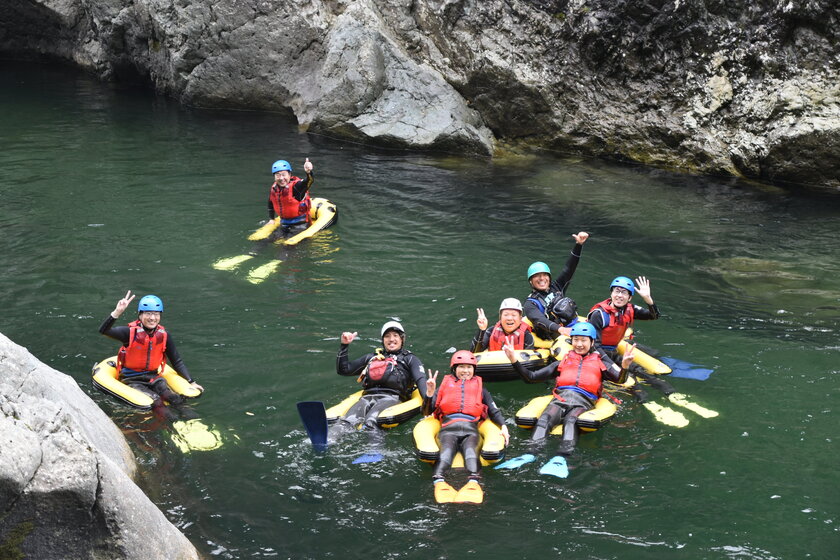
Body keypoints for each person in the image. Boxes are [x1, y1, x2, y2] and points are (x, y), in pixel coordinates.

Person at [503, 322, 632, 456]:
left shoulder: (601, 364)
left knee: (571, 421)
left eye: (583, 340)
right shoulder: (561, 363)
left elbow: (620, 380)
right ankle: (529, 454)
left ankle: (561, 457)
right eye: (576, 340)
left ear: (592, 342)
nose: (579, 344)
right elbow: (531, 377)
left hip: (583, 402)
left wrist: (625, 366)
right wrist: (513, 360)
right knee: (544, 419)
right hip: (560, 400)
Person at [423, 350, 510, 503]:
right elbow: (426, 411)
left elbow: (493, 410)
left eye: (469, 367)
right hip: (449, 428)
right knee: (446, 453)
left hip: (471, 429)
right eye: (461, 367)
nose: (465, 371)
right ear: (454, 369)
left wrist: (503, 426)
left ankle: (474, 482)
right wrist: (430, 393)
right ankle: (439, 481)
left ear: (474, 370)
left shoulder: (481, 389)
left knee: (471, 452)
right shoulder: (443, 387)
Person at [99, 291, 203, 407]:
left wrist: (191, 382)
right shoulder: (129, 333)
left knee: (175, 399)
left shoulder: (164, 335)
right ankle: (171, 423)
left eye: (156, 314)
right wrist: (117, 312)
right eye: (148, 313)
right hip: (132, 380)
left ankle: (191, 421)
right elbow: (104, 331)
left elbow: (177, 361)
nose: (152, 318)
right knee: (157, 403)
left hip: (154, 378)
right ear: (140, 315)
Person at [336, 321, 427, 431]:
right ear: (383, 340)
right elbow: (344, 370)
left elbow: (421, 380)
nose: (391, 339)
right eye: (387, 336)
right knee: (347, 421)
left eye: (395, 335)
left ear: (402, 339)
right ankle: (326, 441)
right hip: (366, 398)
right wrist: (344, 345)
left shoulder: (409, 359)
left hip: (392, 398)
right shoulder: (372, 357)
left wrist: (430, 405)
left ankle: (375, 449)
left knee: (371, 421)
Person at [523, 231, 589, 341]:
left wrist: (579, 245)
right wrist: (560, 330)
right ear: (531, 281)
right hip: (554, 336)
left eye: (545, 275)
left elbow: (569, 269)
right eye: (537, 276)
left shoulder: (557, 286)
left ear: (549, 277)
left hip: (572, 325)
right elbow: (540, 320)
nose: (542, 279)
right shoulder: (530, 304)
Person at [587, 275, 660, 356]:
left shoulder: (630, 309)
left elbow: (654, 316)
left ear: (629, 298)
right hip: (598, 350)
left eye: (624, 292)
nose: (620, 295)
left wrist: (648, 299)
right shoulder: (598, 315)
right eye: (617, 291)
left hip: (614, 348)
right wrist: (612, 365)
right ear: (611, 293)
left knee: (654, 353)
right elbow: (593, 345)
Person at [267, 157, 314, 235]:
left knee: (286, 246)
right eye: (278, 175)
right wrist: (271, 219)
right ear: (274, 177)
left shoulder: (297, 187)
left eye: (284, 175)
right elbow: (270, 203)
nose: (281, 178)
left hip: (300, 225)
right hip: (284, 223)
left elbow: (309, 181)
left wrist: (309, 172)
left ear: (289, 174)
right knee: (264, 242)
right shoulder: (274, 189)